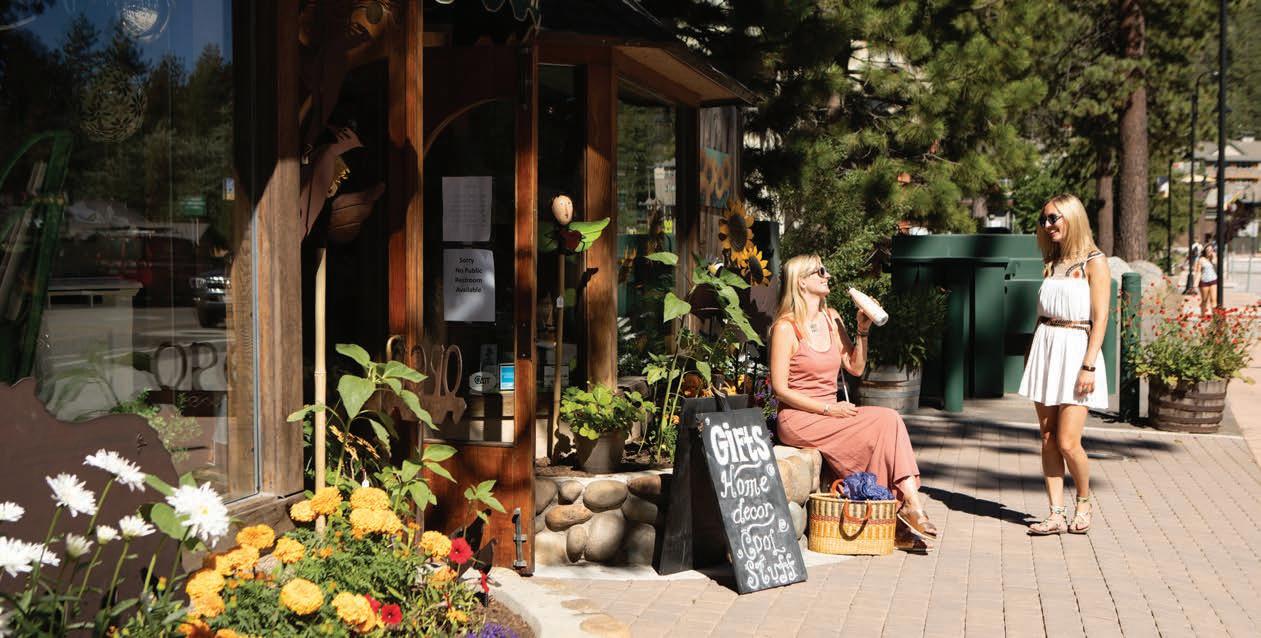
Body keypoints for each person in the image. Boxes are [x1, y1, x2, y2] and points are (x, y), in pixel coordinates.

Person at [768, 254, 938, 551]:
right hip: (800, 418)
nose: (828, 275)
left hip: (831, 412)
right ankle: (901, 513)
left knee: (888, 420)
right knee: (883, 422)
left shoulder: (831, 318)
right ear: (802, 282)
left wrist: (863, 330)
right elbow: (780, 389)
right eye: (820, 271)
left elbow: (856, 368)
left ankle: (908, 505)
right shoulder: (786, 327)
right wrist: (828, 408)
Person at [1018, 194, 1110, 536]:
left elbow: (1101, 318)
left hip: (1076, 350)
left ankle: (1083, 502)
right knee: (1047, 437)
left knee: (1068, 441)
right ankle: (1055, 513)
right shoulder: (1052, 261)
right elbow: (1042, 314)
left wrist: (1089, 365)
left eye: (1053, 218)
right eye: (1043, 219)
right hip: (1046, 348)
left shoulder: (1095, 262)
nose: (1047, 225)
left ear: (1072, 217)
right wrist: (1031, 353)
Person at [1194, 243, 1219, 315]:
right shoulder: (1201, 260)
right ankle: (1203, 316)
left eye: (1211, 250)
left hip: (1213, 280)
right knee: (1204, 300)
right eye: (1207, 250)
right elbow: (1198, 272)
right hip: (1204, 281)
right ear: (1205, 251)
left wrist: (1213, 258)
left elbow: (1216, 266)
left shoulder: (1215, 258)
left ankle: (1215, 317)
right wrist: (1195, 284)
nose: (1209, 251)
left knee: (1213, 300)